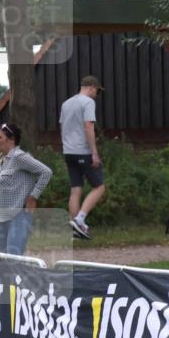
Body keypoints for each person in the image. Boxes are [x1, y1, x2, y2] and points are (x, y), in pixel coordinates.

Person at [0, 123, 52, 255]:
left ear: (11, 139)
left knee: (14, 259)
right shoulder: (2, 159)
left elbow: (46, 172)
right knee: (5, 260)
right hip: (2, 218)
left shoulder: (19, 157)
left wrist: (33, 197)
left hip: (18, 216)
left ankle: (26, 276)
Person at [59, 75, 105, 239]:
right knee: (99, 187)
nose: (96, 95)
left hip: (68, 151)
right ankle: (80, 219)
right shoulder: (88, 103)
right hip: (83, 151)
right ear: (92, 87)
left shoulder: (66, 104)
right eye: (97, 91)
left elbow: (63, 127)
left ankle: (75, 229)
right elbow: (88, 126)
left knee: (75, 190)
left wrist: (66, 147)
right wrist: (94, 152)